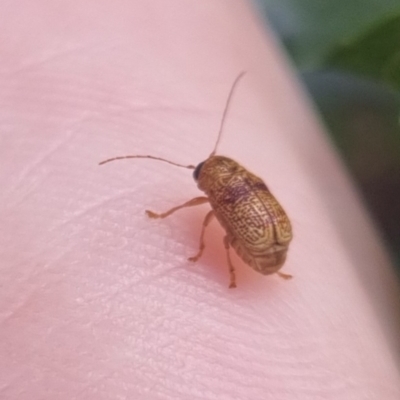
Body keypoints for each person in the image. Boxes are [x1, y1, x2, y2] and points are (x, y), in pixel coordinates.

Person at [1, 1, 399, 399]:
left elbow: (219, 224)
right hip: (274, 236)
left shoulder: (219, 192)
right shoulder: (235, 176)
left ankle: (233, 270)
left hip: (262, 242)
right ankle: (261, 270)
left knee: (220, 233)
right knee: (224, 230)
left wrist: (184, 231)